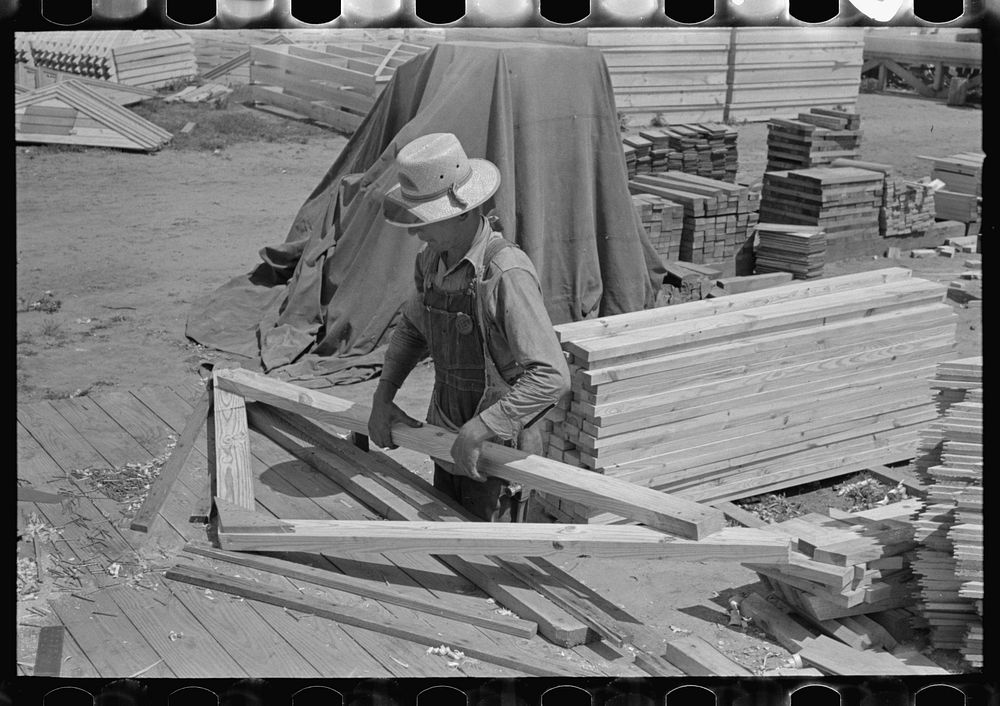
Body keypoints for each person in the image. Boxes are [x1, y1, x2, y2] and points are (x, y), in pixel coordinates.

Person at [368, 132, 571, 522]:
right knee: (450, 553)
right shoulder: (431, 262)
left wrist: (484, 426)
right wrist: (384, 395)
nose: (415, 232)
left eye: (425, 220)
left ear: (463, 212)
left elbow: (551, 377)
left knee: (493, 564)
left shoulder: (504, 273)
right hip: (446, 436)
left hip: (498, 448)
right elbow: (413, 329)